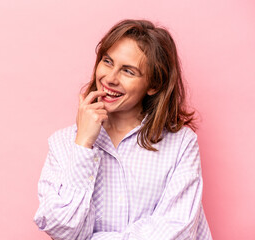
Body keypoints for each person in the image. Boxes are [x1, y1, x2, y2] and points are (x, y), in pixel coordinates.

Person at [33, 19, 212, 240]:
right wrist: (83, 145)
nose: (110, 78)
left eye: (128, 71)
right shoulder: (62, 143)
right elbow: (62, 230)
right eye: (107, 61)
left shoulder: (181, 144)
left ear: (154, 84)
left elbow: (175, 233)